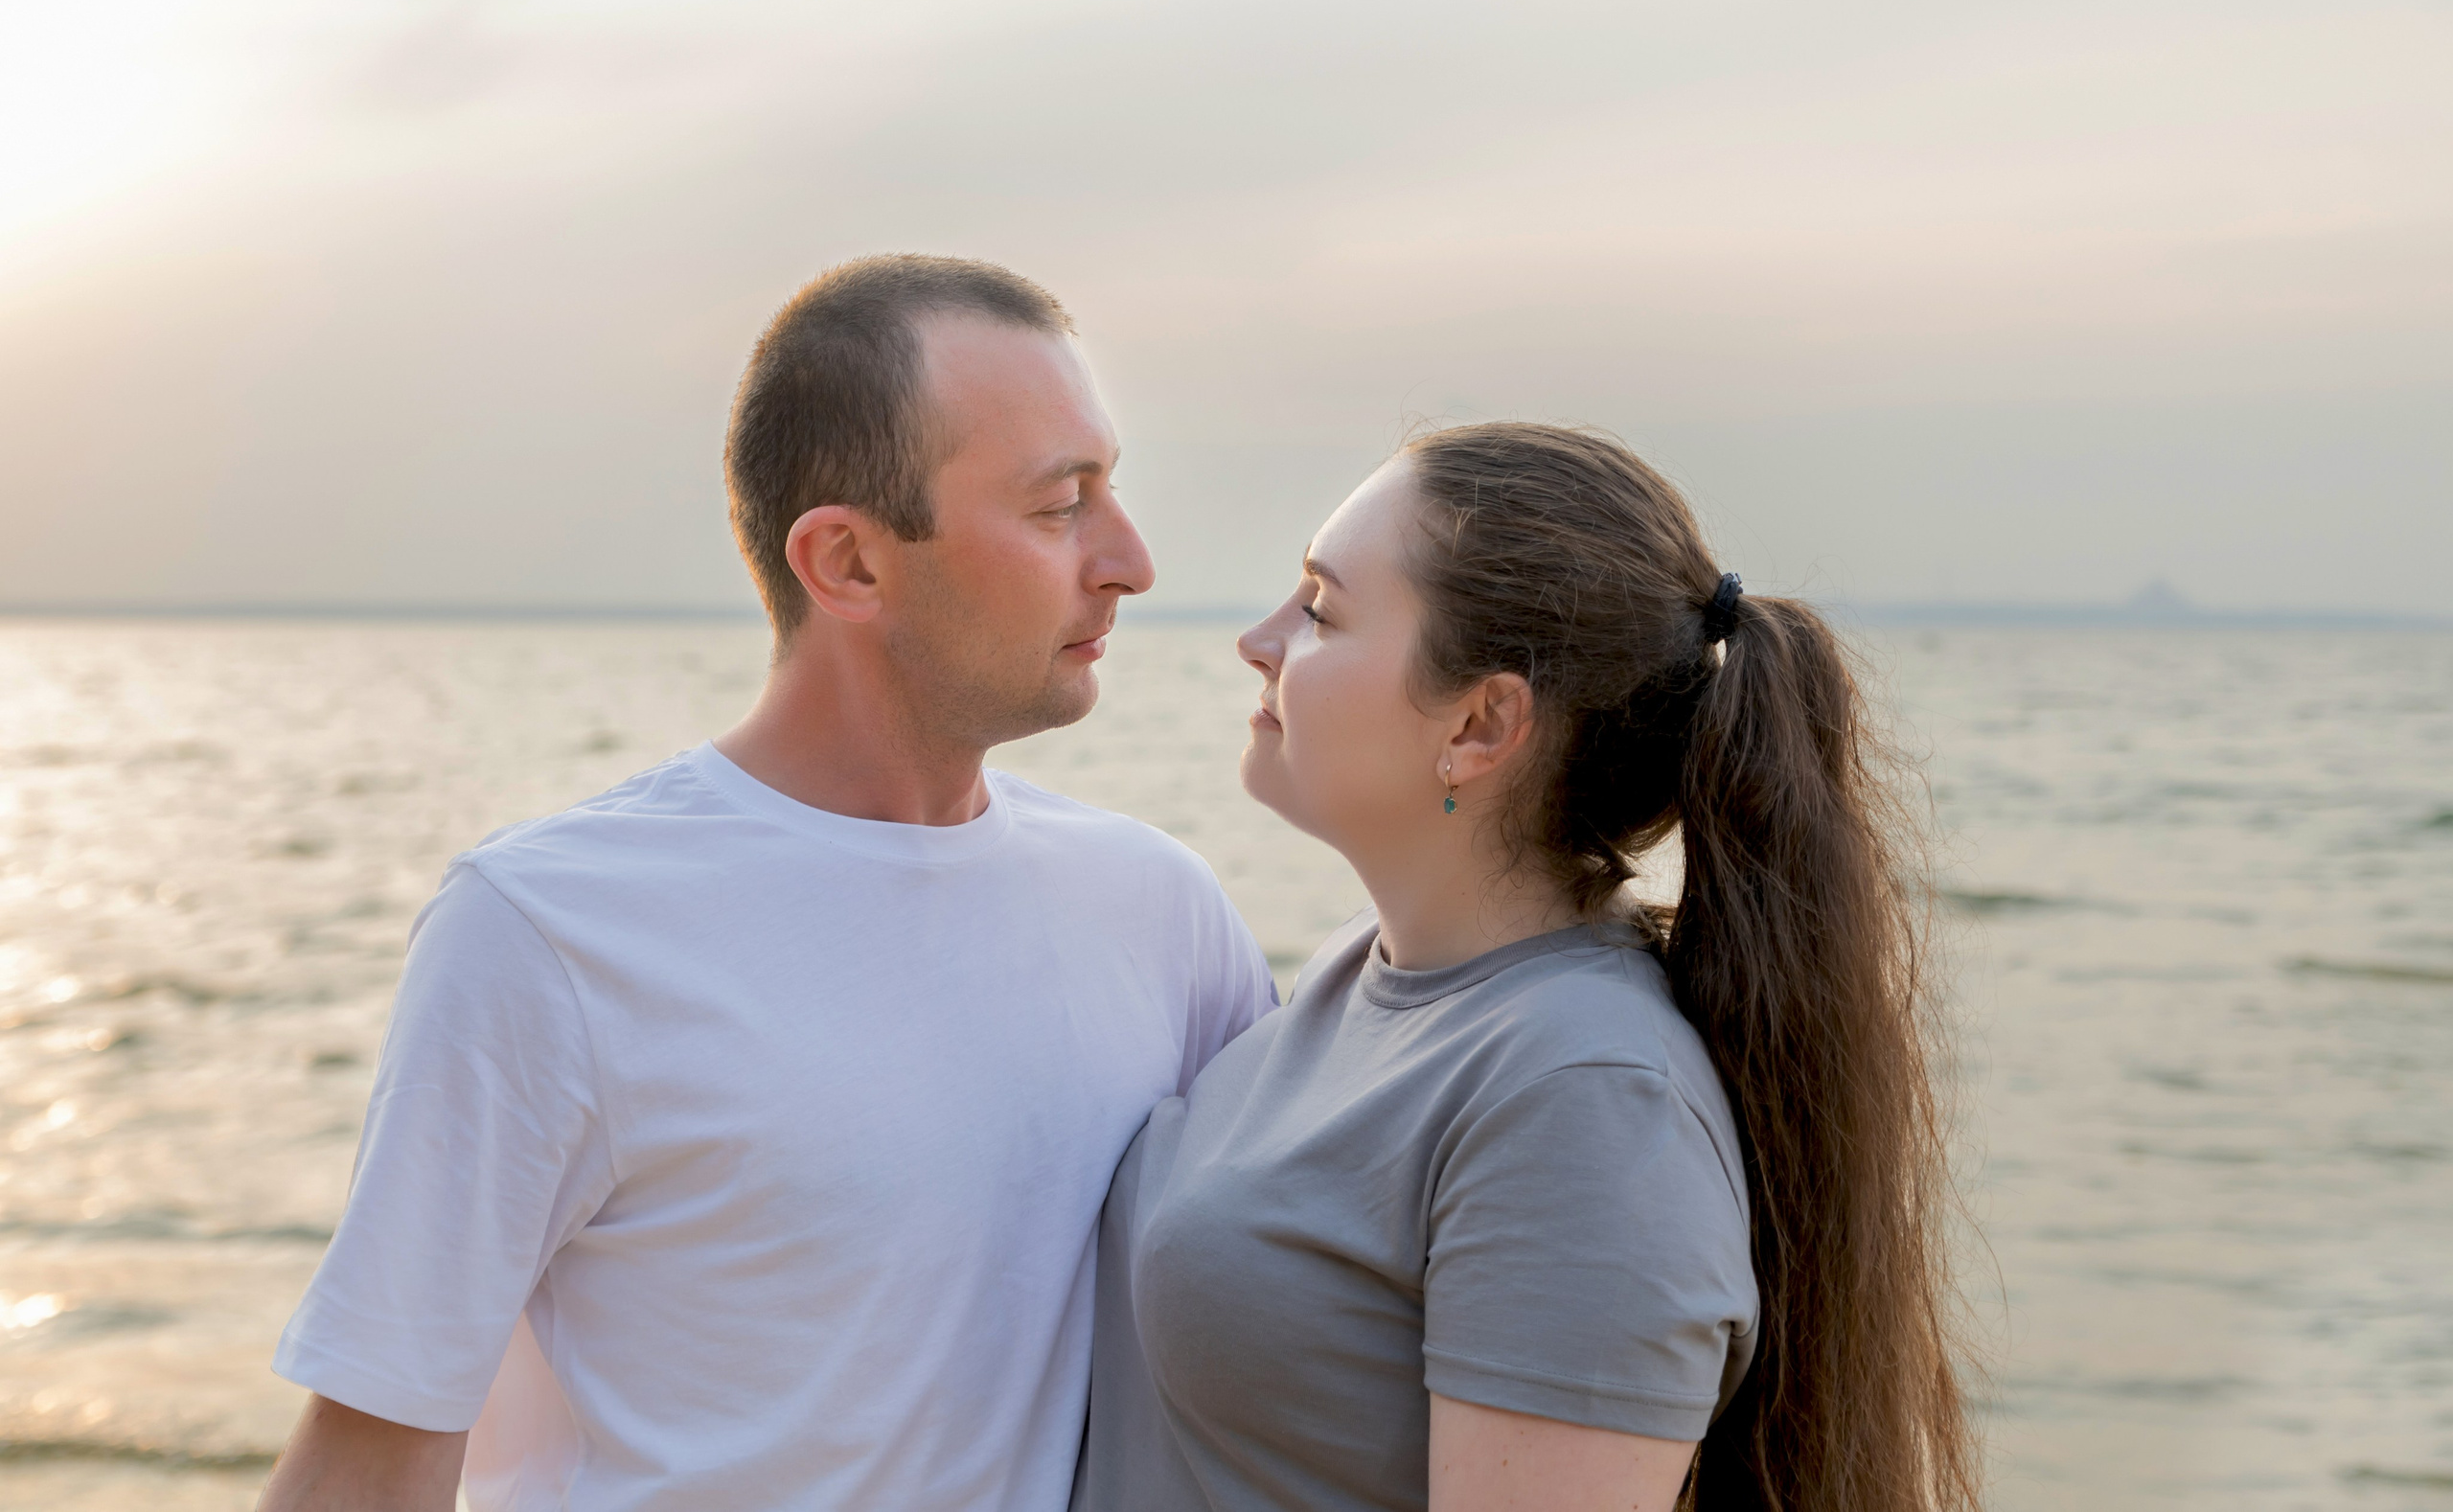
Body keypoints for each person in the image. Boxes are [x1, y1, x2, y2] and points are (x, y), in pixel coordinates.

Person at [257, 255, 1277, 1512]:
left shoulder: (1161, 910)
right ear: (847, 561)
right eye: (1061, 505)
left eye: (1111, 489)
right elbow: (373, 1456)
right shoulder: (548, 931)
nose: (1129, 560)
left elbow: (1321, 1301)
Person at [1074, 423, 1979, 1512]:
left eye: (1320, 609)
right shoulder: (1374, 975)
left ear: (1482, 721)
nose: (1258, 641)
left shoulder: (1585, 1100)